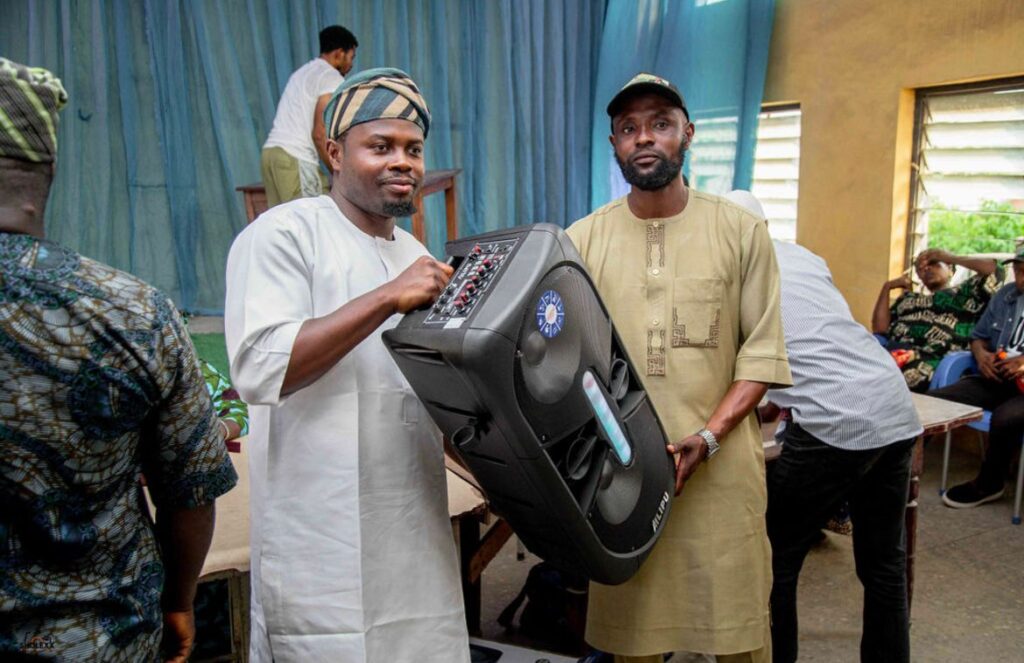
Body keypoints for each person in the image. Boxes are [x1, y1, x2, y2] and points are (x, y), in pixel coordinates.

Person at [225, 68, 469, 662]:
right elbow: (260, 368)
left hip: (412, 530)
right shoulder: (284, 234)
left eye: (413, 149)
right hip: (320, 544)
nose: (402, 162)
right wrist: (387, 297)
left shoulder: (415, 254)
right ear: (335, 154)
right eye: (380, 146)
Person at [0, 58, 237, 662]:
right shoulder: (134, 313)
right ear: (49, 171)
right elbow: (190, 490)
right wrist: (179, 602)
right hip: (103, 638)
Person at [565, 73, 792, 663]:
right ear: (614, 145)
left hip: (722, 476)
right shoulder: (581, 241)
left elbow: (761, 353)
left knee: (740, 638)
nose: (644, 138)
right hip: (624, 479)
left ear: (687, 134)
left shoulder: (740, 231)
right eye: (629, 128)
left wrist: (708, 438)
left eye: (660, 124)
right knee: (633, 641)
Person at [725, 190, 922, 663]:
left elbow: (748, 365)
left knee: (774, 556)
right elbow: (815, 334)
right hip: (894, 406)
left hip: (838, 422)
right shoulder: (804, 256)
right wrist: (779, 398)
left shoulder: (730, 277)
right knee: (884, 564)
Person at [931, 246, 1024, 508]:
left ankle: (990, 484)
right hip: (996, 376)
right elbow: (978, 337)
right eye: (1018, 271)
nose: (1020, 279)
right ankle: (903, 471)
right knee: (933, 401)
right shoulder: (1006, 295)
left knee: (1005, 418)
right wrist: (982, 356)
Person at [872, 248, 1002, 392]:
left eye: (934, 263)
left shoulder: (966, 293)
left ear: (951, 269)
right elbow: (880, 329)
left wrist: (950, 257)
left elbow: (994, 269)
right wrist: (887, 287)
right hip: (893, 353)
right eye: (920, 268)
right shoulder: (908, 299)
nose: (926, 268)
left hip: (931, 359)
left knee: (890, 379)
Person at [261, 25, 358, 207]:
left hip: (271, 154)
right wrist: (340, 173)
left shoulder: (301, 73)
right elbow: (320, 134)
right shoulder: (331, 77)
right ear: (339, 53)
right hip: (295, 157)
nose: (351, 65)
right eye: (351, 57)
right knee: (316, 216)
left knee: (283, 221)